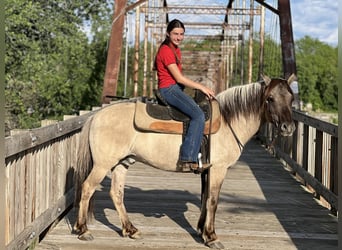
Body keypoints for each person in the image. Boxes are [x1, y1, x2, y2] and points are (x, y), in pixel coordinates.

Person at [154, 19, 215, 173]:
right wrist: (203, 87)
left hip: (175, 88)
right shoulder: (166, 51)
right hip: (169, 89)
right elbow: (179, 78)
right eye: (175, 34)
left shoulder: (175, 49)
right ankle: (188, 158)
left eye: (181, 34)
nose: (179, 37)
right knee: (198, 115)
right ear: (168, 33)